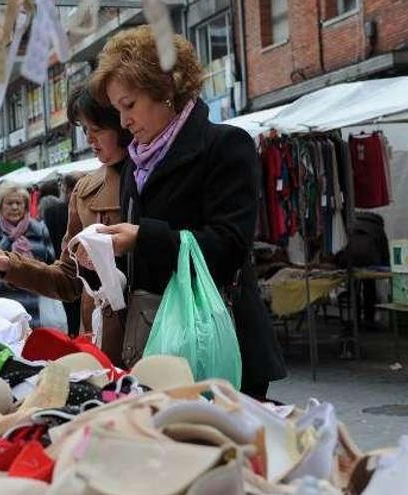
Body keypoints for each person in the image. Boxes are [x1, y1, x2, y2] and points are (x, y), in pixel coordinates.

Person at [90, 25, 286, 398]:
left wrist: (143, 237)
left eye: (129, 105)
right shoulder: (135, 164)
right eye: (117, 110)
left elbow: (229, 245)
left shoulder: (226, 145)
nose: (123, 122)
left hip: (216, 343)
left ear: (165, 90)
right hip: (154, 343)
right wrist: (105, 253)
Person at [0, 86, 131, 361]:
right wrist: (7, 263)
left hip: (154, 330)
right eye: (84, 129)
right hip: (99, 341)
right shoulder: (85, 192)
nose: (89, 138)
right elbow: (67, 279)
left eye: (96, 128)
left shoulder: (152, 176)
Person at [0, 182, 55, 327]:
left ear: (25, 206)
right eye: (9, 203)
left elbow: (52, 268)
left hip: (35, 311)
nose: (15, 207)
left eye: (19, 203)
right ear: (0, 206)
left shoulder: (40, 231)